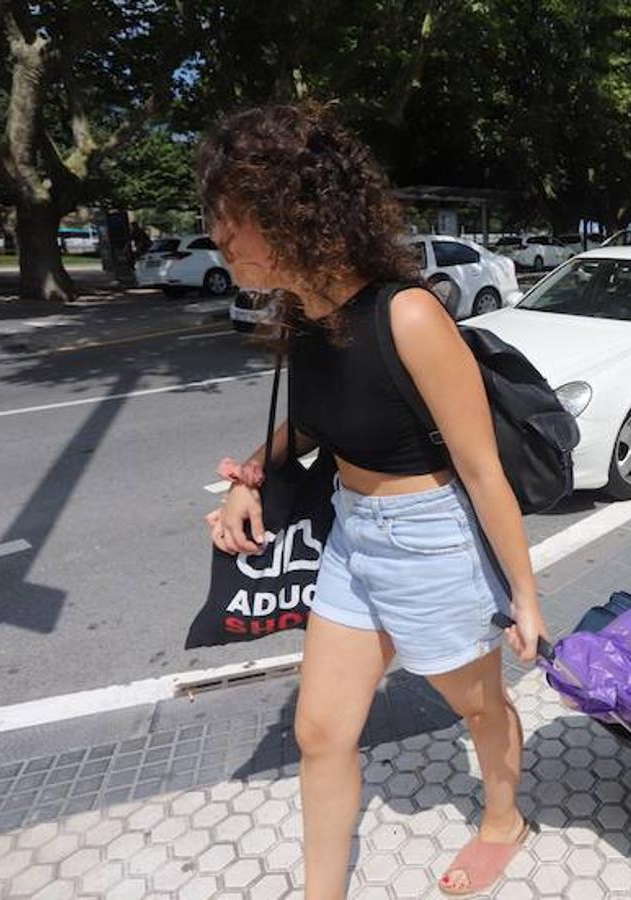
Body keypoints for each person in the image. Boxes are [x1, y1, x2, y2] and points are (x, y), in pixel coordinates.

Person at [199, 103, 546, 899]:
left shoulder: (410, 315)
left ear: (292, 212)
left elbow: (482, 470)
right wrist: (248, 476)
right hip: (354, 545)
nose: (219, 240)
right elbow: (313, 427)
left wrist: (526, 597)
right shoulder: (304, 317)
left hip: (433, 542)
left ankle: (504, 821)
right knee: (319, 730)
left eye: (231, 221)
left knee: (480, 708)